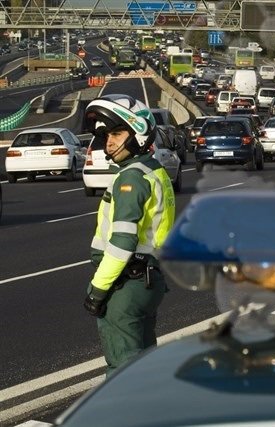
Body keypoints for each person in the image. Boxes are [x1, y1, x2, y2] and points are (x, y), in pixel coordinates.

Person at [82, 94, 176, 376]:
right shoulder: (154, 170)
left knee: (122, 370)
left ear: (138, 133)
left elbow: (122, 242)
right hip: (149, 279)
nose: (108, 142)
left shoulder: (130, 177)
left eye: (116, 133)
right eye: (106, 135)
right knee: (143, 365)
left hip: (126, 284)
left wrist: (97, 289)